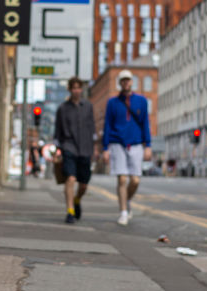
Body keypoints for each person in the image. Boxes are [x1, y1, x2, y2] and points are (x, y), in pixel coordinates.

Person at [102, 69, 152, 225]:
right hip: (117, 143)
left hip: (136, 144)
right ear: (119, 83)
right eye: (122, 80)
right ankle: (123, 211)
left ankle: (126, 200)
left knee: (135, 180)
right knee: (122, 179)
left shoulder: (142, 101)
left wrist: (148, 145)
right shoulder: (112, 103)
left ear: (131, 82)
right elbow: (107, 125)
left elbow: (145, 124)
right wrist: (105, 148)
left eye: (128, 80)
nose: (125, 83)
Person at [53, 76, 96, 223]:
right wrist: (57, 151)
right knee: (70, 178)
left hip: (85, 149)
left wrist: (94, 149)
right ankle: (70, 211)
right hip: (69, 147)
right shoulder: (62, 109)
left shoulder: (88, 106)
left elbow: (92, 128)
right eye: (74, 88)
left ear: (81, 89)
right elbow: (57, 132)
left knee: (83, 185)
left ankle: (77, 200)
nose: (76, 91)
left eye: (79, 88)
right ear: (70, 90)